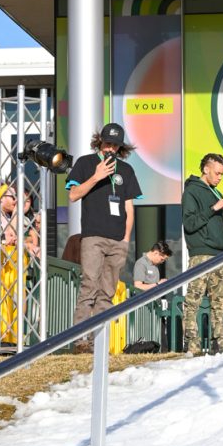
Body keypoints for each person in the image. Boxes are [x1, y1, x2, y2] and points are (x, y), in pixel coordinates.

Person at [67, 122, 142, 342]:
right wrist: (96, 176)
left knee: (107, 292)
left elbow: (129, 207)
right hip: (93, 236)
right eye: (107, 143)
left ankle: (97, 341)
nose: (111, 149)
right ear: (100, 141)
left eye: (115, 146)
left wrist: (126, 239)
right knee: (89, 285)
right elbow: (73, 195)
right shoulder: (85, 163)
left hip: (118, 239)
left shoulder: (126, 170)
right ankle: (79, 339)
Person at [181, 153, 223, 357]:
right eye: (217, 173)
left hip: (220, 253)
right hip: (201, 254)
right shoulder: (192, 191)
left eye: (222, 174)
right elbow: (190, 223)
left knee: (219, 301)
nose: (220, 177)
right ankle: (192, 344)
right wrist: (214, 208)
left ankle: (219, 343)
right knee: (193, 299)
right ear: (206, 169)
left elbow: (216, 227)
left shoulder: (215, 191)